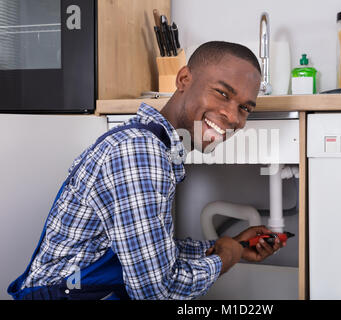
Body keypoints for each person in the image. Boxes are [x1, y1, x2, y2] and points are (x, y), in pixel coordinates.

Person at [8, 41, 286, 300]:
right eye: (222, 93)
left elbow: (146, 251)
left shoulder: (152, 145)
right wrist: (226, 257)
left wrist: (229, 244)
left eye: (245, 108)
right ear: (184, 79)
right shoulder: (140, 152)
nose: (234, 117)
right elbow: (155, 291)